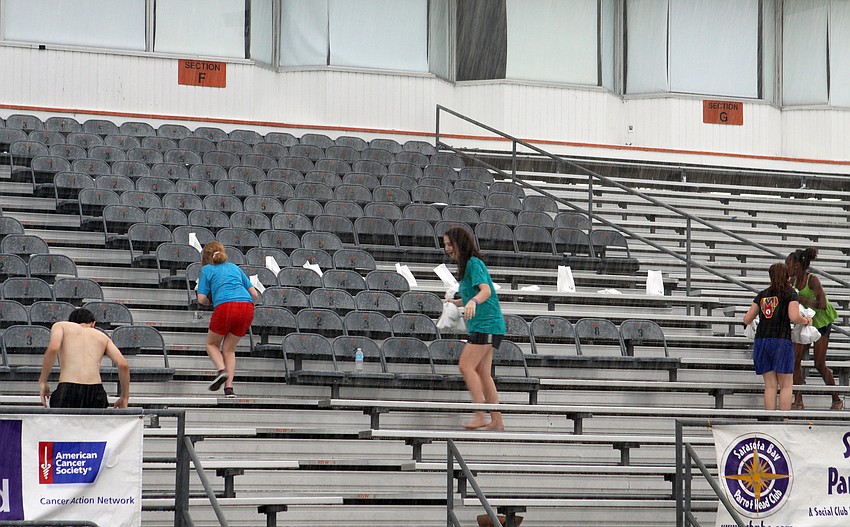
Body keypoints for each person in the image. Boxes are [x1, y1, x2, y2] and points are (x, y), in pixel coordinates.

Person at [442, 227, 506, 430]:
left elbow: (486, 291)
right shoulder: (466, 266)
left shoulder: (473, 263)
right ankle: (497, 422)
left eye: (449, 244)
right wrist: (456, 302)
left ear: (459, 243)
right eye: (445, 245)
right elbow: (471, 296)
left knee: (465, 366)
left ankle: (479, 414)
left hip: (487, 324)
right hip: (486, 325)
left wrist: (473, 302)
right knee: (483, 373)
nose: (447, 249)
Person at [743, 262, 811, 411]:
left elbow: (746, 319)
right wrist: (806, 320)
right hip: (781, 340)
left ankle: (770, 419)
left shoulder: (762, 295)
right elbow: (793, 316)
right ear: (786, 276)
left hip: (761, 340)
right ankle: (784, 419)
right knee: (786, 384)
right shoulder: (790, 294)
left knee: (770, 384)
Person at [196, 241, 259, 398]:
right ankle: (229, 389)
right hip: (247, 307)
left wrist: (212, 302)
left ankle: (221, 370)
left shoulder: (207, 269)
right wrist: (247, 306)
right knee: (229, 349)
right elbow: (254, 294)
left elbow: (201, 299)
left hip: (225, 306)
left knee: (211, 344)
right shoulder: (234, 267)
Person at [39, 308, 130, 409]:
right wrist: (124, 396)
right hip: (96, 392)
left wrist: (43, 381)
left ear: (71, 322)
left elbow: (53, 348)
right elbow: (123, 365)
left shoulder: (61, 326)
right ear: (93, 324)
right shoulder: (102, 337)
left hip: (68, 389)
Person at [786, 248, 842, 410]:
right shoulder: (792, 281)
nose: (787, 267)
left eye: (788, 264)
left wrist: (801, 299)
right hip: (805, 322)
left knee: (819, 363)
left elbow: (822, 305)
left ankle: (836, 398)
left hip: (821, 323)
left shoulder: (812, 280)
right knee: (795, 361)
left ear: (797, 265)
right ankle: (798, 400)